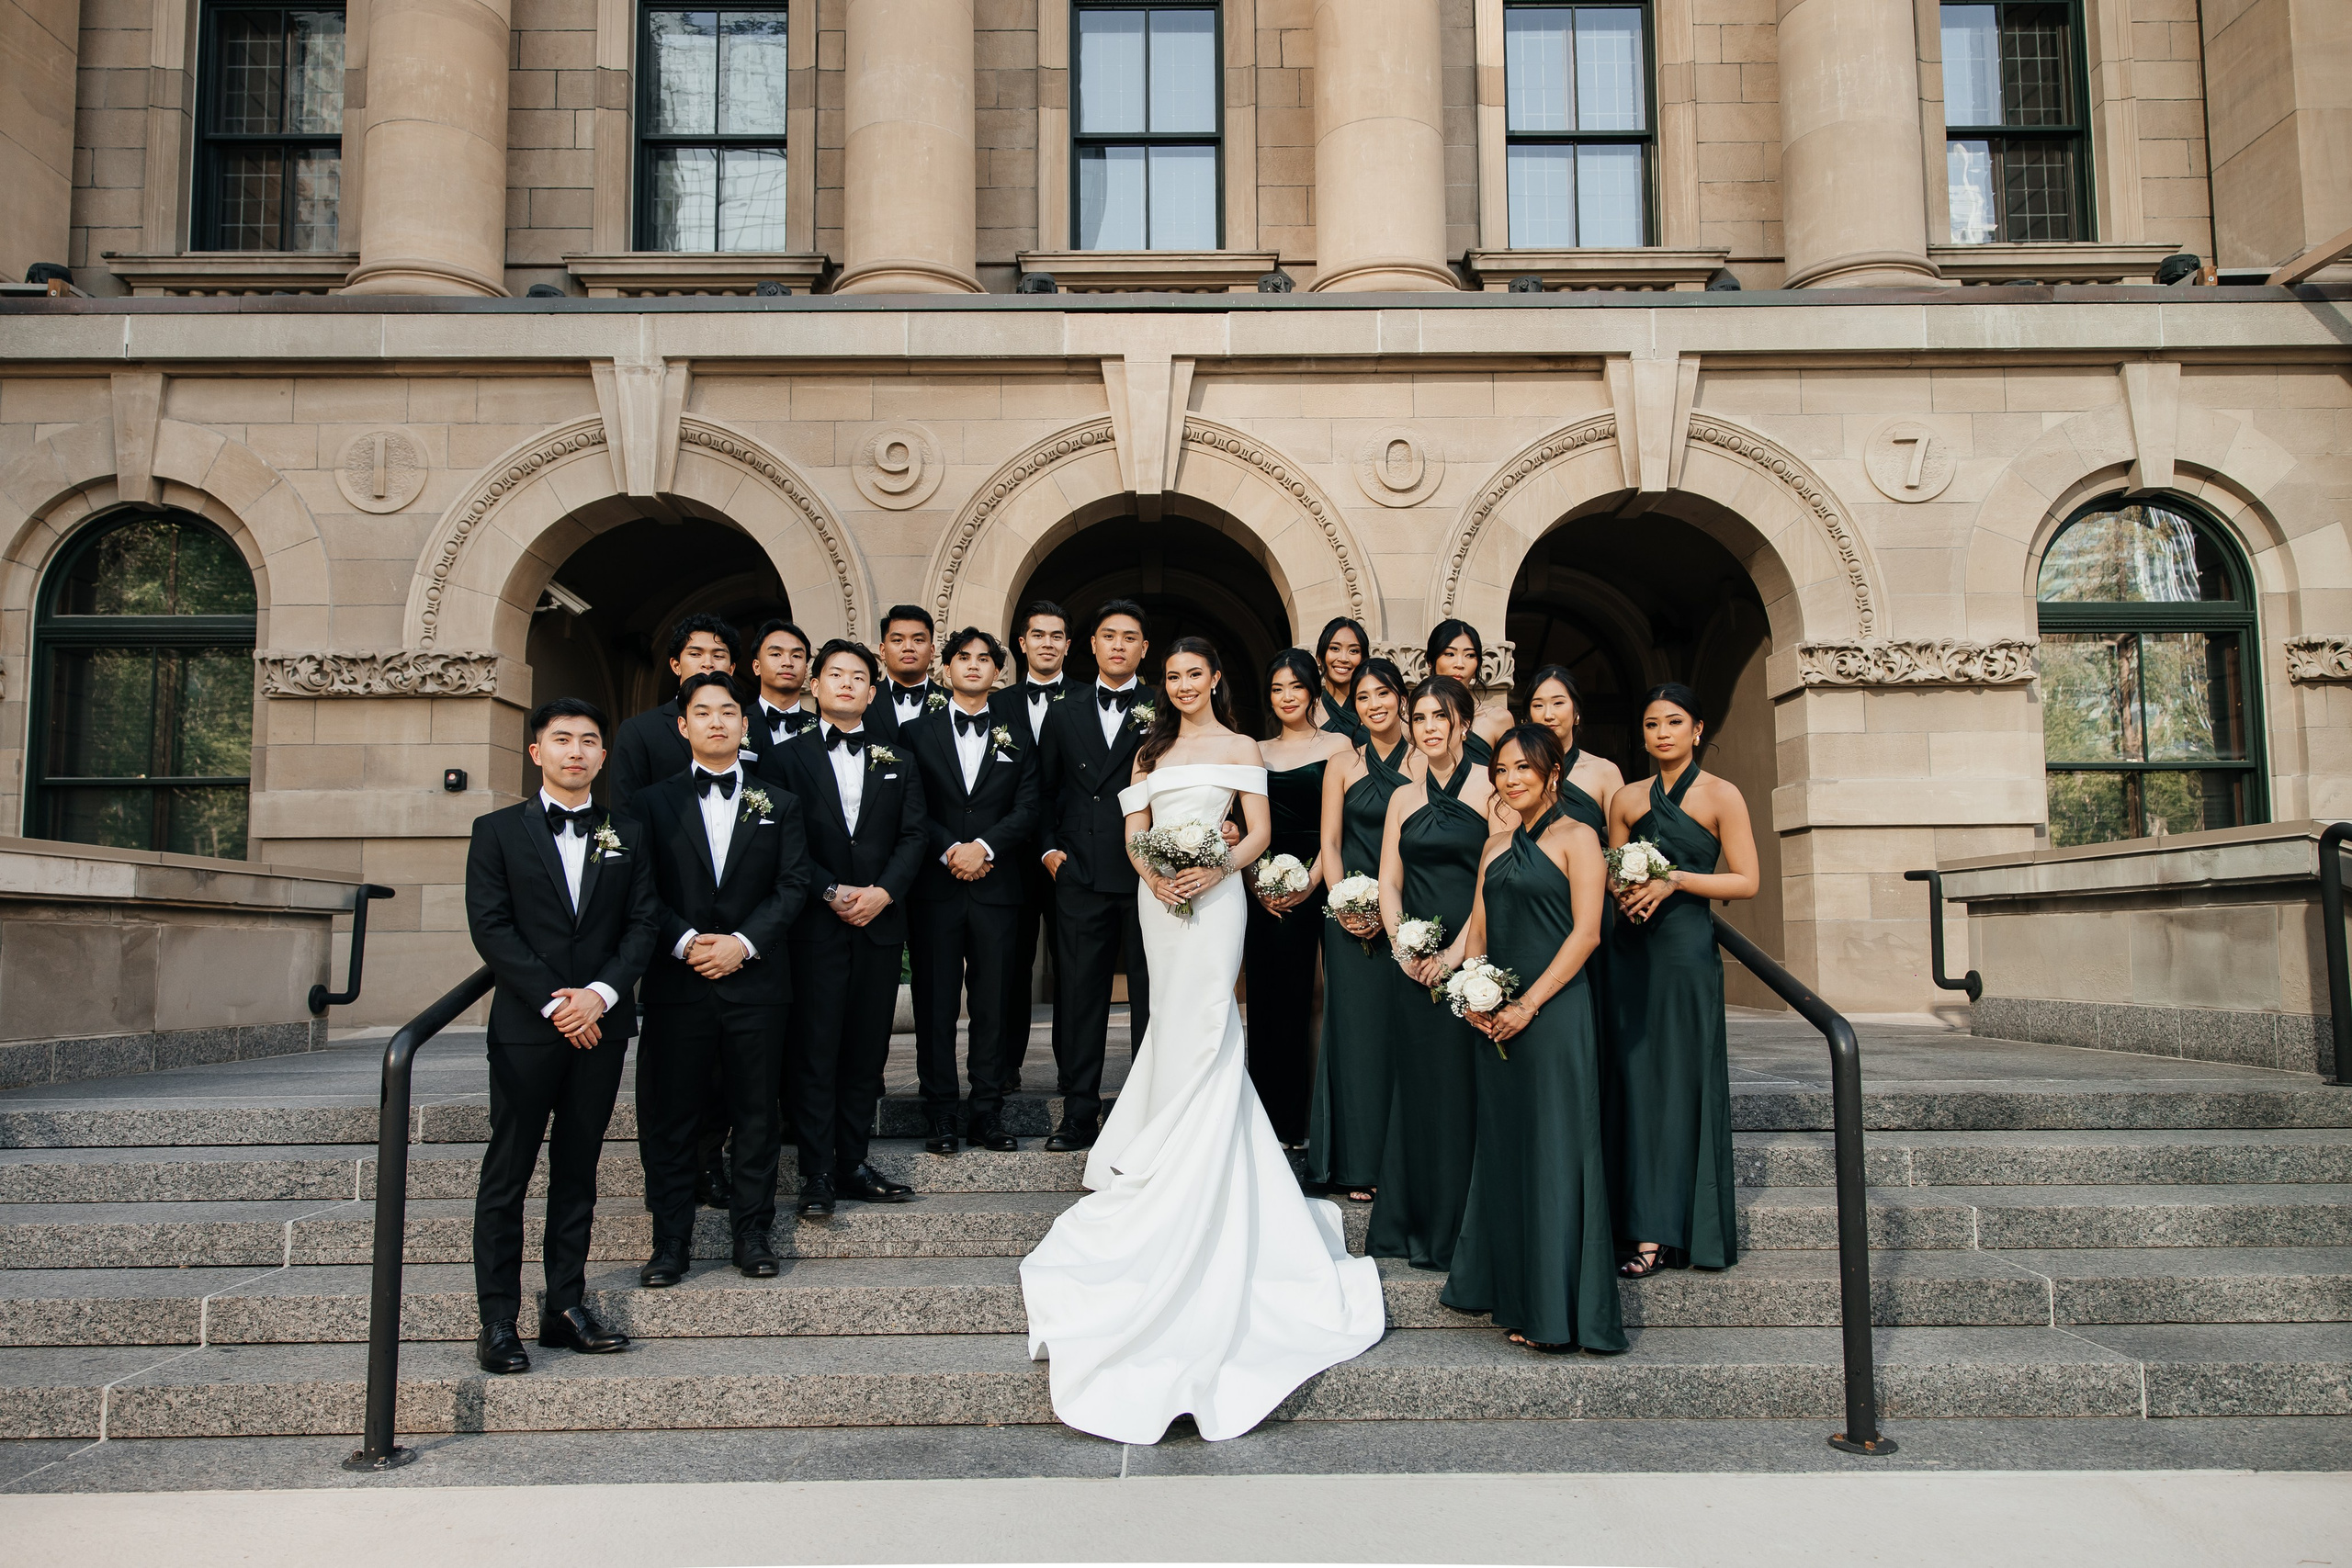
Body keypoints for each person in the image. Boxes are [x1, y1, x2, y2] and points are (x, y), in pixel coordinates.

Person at [1019, 637, 1385, 1445]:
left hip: (1219, 899)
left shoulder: (1241, 746)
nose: (1185, 685)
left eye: (1196, 674)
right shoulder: (1150, 750)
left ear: (1217, 678)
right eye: (1174, 676)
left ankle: (1205, 1148)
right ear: (1167, 684)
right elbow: (1131, 828)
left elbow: (1256, 833)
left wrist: (1215, 868)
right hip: (1160, 899)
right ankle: (1161, 1143)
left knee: (1213, 1015)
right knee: (1171, 1019)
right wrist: (1154, 873)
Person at [463, 698, 661, 1374]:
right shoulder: (495, 832)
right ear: (536, 751)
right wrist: (558, 1003)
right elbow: (491, 928)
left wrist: (600, 997)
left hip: (601, 1030)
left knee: (578, 1171)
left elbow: (643, 925)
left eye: (588, 741)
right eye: (562, 739)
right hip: (528, 1028)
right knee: (508, 1174)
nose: (576, 751)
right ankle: (497, 1320)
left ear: (603, 756)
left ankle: (564, 1307)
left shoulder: (628, 833)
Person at [1439, 725, 1625, 1356]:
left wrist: (1529, 1003)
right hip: (1495, 1018)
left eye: (1524, 767)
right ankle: (1512, 1290)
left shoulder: (1580, 837)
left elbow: (1587, 934)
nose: (1511, 778)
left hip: (1556, 1014)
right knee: (1509, 1148)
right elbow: (1479, 937)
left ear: (1553, 773)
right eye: (1501, 768)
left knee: (1555, 1152)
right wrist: (1471, 996)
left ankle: (1557, 1309)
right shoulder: (1493, 847)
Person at [629, 672, 809, 1286]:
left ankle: (752, 1233)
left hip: (757, 984)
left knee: (756, 1114)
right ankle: (670, 1242)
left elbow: (792, 886)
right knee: (673, 1116)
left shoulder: (779, 802)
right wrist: (685, 942)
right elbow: (641, 890)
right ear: (683, 725)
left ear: (744, 723)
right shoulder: (650, 804)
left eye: (727, 711)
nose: (715, 721)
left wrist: (742, 943)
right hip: (678, 985)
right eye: (701, 711)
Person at [763, 639, 930, 1214]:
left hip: (880, 926)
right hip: (816, 925)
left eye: (858, 676)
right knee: (815, 1048)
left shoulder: (899, 760)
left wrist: (883, 893)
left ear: (873, 690)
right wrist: (829, 890)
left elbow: (914, 837)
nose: (846, 684)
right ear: (816, 685)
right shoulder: (785, 758)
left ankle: (853, 1162)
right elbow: (783, 842)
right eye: (835, 674)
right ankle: (815, 1172)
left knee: (866, 1050)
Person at [1606, 682, 1759, 1277]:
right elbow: (1615, 869)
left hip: (1685, 952)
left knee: (1681, 1086)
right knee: (1636, 1086)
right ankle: (1640, 1226)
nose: (1661, 732)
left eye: (1673, 722)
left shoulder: (1723, 795)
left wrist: (1675, 880)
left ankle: (1682, 1227)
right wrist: (1627, 890)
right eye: (1651, 724)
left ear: (1697, 729)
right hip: (1632, 951)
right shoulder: (1625, 798)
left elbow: (1746, 880)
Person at [1368, 674, 1495, 1270]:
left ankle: (1459, 1227)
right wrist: (1402, 944)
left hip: (1470, 962)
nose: (1429, 726)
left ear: (1463, 724)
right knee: (1416, 1087)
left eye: (1440, 716)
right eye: (1419, 717)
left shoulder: (1492, 791)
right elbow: (1389, 880)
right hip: (1411, 965)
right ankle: (1410, 1221)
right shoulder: (1401, 796)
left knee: (1460, 1089)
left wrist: (1456, 957)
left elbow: (1490, 883)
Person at [904, 626, 1041, 1154]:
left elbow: (1028, 809)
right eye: (964, 657)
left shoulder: (1018, 734)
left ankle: (987, 1111)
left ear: (996, 672)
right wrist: (949, 851)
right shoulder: (917, 733)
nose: (974, 666)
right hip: (935, 890)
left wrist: (982, 847)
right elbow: (912, 807)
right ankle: (939, 1112)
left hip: (997, 886)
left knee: (993, 1004)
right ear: (947, 668)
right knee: (935, 1003)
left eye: (985, 659)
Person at [1033, 600, 1158, 1151]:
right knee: (1080, 999)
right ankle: (1079, 1113)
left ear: (1144, 649)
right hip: (1079, 873)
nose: (1118, 646)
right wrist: (1049, 851)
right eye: (1109, 636)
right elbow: (1042, 789)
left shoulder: (1162, 706)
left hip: (1148, 876)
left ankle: (1147, 1112)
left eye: (1130, 638)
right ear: (1092, 645)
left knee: (1153, 998)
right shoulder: (1064, 710)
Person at [1307, 657, 1414, 1203]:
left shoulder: (1425, 762)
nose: (1374, 705)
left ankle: (1408, 1161)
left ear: (1401, 698)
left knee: (1407, 1036)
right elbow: (1329, 843)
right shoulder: (1341, 763)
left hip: (1410, 916)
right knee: (1356, 1038)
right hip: (1349, 919)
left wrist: (1395, 914)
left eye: (1384, 694)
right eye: (1365, 697)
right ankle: (1357, 1162)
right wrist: (1343, 901)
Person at [1244, 649, 1351, 1145]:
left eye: (1296, 687)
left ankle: (1312, 1121)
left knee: (1317, 1000)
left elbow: (1337, 830)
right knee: (1269, 1002)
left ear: (1313, 692)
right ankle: (1269, 1123)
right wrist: (1258, 886)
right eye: (1277, 689)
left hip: (1318, 879)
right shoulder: (1254, 750)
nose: (1287, 697)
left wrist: (1308, 884)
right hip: (1263, 887)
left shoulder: (1339, 746)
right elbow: (1242, 827)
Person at [990, 599, 1075, 1091]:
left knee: (1072, 965)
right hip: (1009, 857)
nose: (1047, 643)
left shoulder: (1086, 698)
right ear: (1022, 644)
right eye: (1037, 635)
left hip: (1070, 854)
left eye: (1056, 635)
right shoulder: (995, 706)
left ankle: (1072, 1067)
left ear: (1068, 644)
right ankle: (1004, 1068)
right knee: (1009, 964)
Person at [608, 614, 744, 810]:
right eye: (695, 654)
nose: (708, 663)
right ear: (676, 665)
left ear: (731, 668)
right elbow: (626, 812)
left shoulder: (749, 725)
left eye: (718, 655)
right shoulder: (639, 731)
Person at [1423, 619, 1511, 768]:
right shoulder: (1413, 723)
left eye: (1470, 655)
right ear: (1431, 662)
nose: (1459, 664)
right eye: (1450, 654)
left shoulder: (1497, 719)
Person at [865, 604, 945, 742]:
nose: (908, 648)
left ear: (932, 651)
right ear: (882, 651)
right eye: (898, 640)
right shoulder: (863, 699)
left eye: (918, 640)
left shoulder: (951, 702)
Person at [749, 619, 819, 746]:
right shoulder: (737, 722)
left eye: (796, 656)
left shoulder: (821, 728)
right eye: (776, 654)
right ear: (757, 667)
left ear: (806, 670)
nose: (787, 662)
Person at [1314, 616, 1370, 740]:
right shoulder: (1306, 712)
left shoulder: (1375, 709)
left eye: (1354, 651)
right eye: (1335, 648)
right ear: (1319, 658)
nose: (1343, 658)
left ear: (1364, 660)